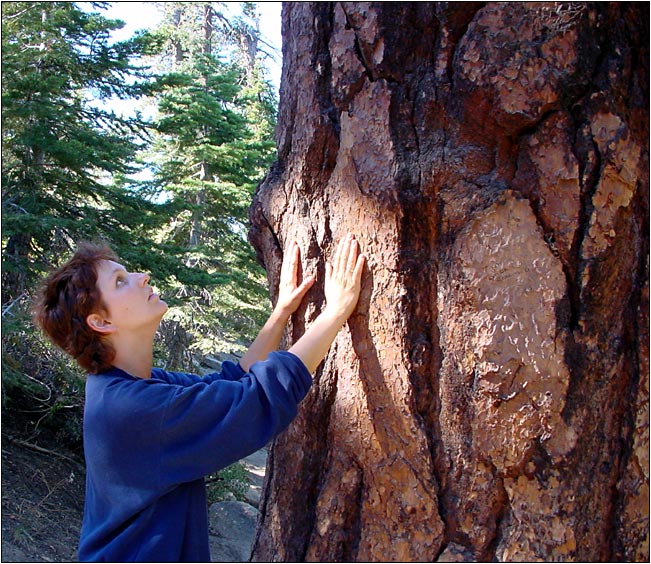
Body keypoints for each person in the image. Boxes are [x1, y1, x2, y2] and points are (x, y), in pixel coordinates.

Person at [33, 233, 365, 562]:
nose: (141, 276)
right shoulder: (131, 409)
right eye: (120, 281)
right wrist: (336, 311)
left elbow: (230, 384)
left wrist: (280, 313)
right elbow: (255, 400)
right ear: (101, 322)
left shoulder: (123, 386)